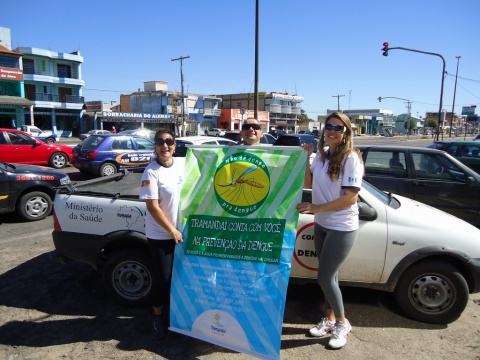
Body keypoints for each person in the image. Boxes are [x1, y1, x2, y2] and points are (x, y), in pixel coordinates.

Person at [296, 111, 364, 349]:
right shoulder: (322, 154)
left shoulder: (351, 158)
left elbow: (350, 199)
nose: (332, 131)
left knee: (325, 277)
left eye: (338, 128)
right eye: (329, 127)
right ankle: (330, 318)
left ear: (346, 133)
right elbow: (308, 183)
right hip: (322, 223)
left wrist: (316, 207)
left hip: (342, 226)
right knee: (330, 277)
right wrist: (306, 157)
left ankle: (343, 323)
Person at [139, 127, 185, 340]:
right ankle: (157, 316)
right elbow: (153, 207)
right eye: (160, 142)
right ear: (155, 146)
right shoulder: (151, 171)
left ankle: (178, 315)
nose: (165, 145)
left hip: (182, 232)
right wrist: (171, 230)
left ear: (174, 145)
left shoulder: (183, 165)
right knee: (164, 279)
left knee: (183, 277)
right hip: (161, 234)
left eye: (169, 141)